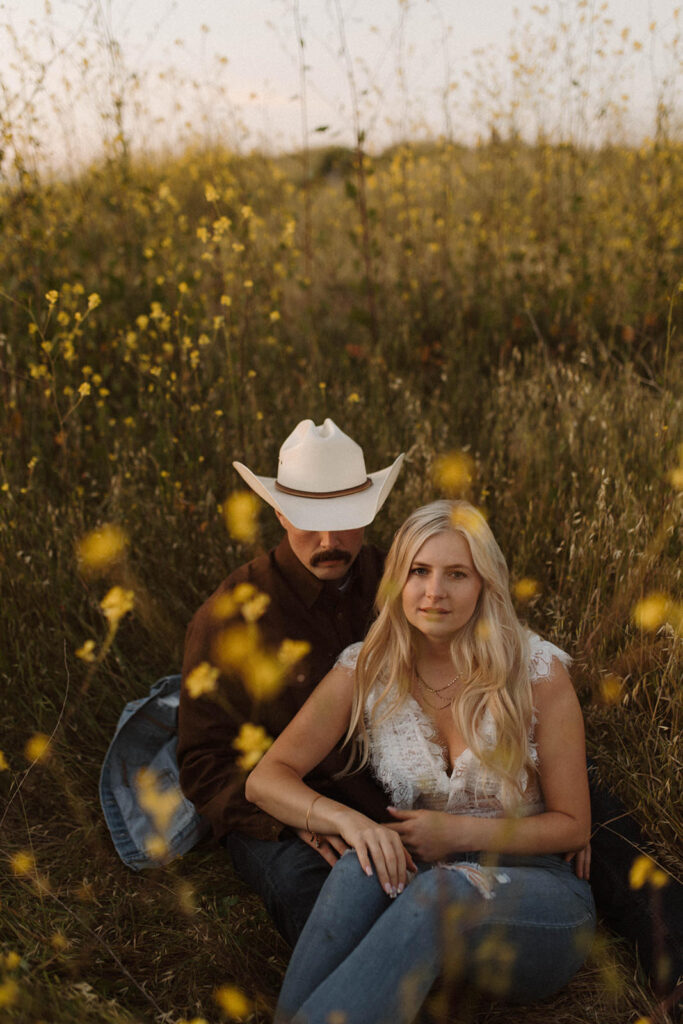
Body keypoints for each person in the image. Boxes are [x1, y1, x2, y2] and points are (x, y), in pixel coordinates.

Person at [246, 500, 597, 1024]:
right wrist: (349, 821)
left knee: (441, 889)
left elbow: (573, 826)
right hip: (427, 889)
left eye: (457, 573)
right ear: (397, 583)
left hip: (537, 900)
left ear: (484, 584)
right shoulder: (365, 668)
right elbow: (266, 779)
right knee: (359, 865)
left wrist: (455, 834)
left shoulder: (536, 672)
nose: (435, 592)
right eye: (419, 572)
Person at [177, 418, 404, 944]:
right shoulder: (229, 615)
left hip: (385, 789)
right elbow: (204, 763)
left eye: (346, 519)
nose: (330, 540)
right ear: (278, 511)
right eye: (309, 520)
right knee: (314, 894)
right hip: (274, 808)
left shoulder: (400, 581)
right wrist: (294, 821)